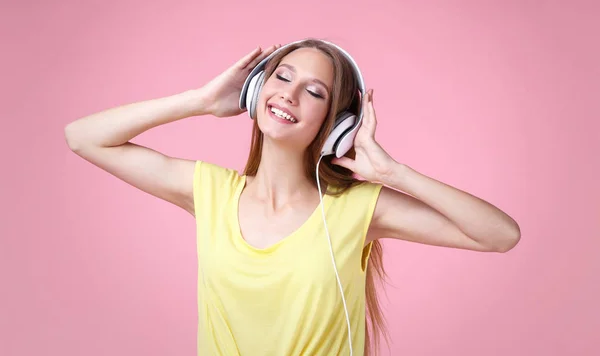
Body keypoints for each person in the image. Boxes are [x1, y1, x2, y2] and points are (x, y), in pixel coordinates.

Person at [64, 38, 521, 356]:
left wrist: (392, 172)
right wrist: (200, 100)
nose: (289, 94)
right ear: (255, 90)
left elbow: (499, 235)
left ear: (336, 124)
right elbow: (83, 137)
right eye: (282, 77)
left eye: (314, 91)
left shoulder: (356, 209)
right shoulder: (209, 192)